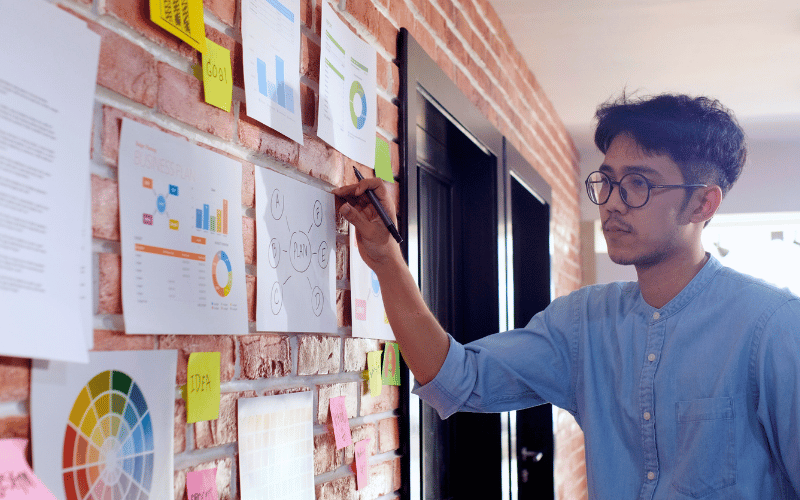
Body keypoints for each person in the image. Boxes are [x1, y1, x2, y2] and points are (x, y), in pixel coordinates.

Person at [333, 93, 800, 499]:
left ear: (703, 203)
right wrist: (386, 260)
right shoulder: (586, 322)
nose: (613, 202)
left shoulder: (773, 327)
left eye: (639, 183)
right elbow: (458, 378)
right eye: (608, 181)